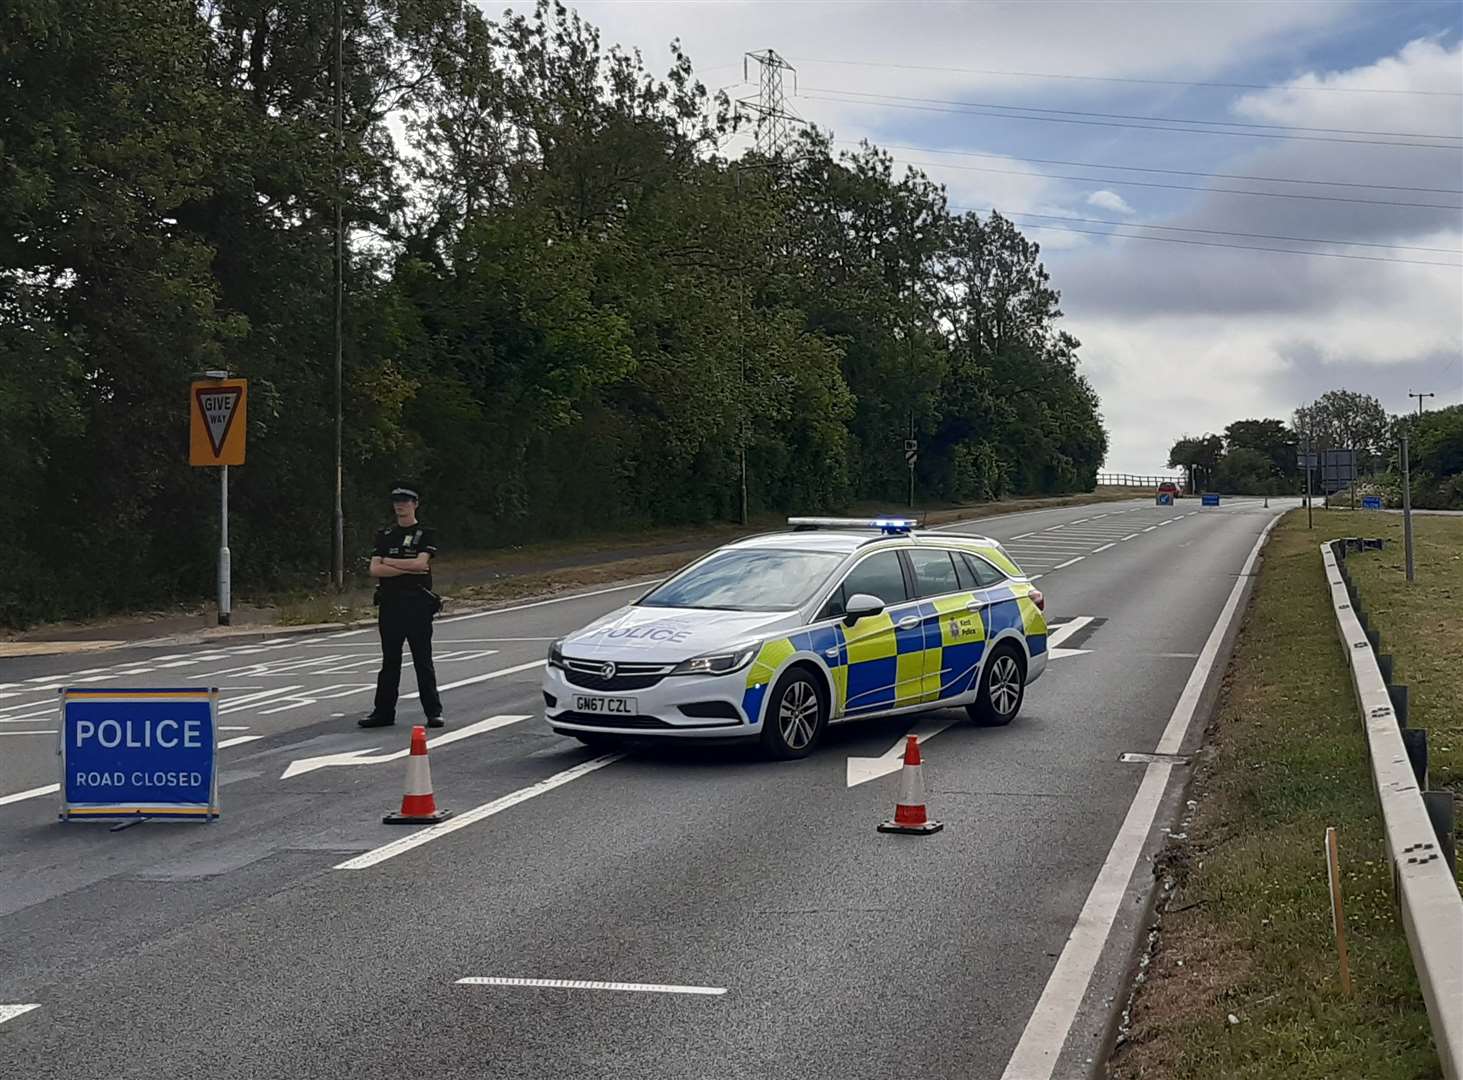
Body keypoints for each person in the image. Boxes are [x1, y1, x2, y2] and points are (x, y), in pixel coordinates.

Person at [360, 484, 444, 729]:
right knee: (390, 662)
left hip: (417, 604)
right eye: (397, 501)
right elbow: (375, 569)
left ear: (415, 504)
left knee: (422, 660)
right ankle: (383, 712)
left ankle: (433, 712)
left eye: (406, 501)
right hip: (390, 604)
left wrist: (390, 563)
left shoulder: (425, 533)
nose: (400, 505)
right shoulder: (385, 535)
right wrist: (404, 564)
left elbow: (421, 565)